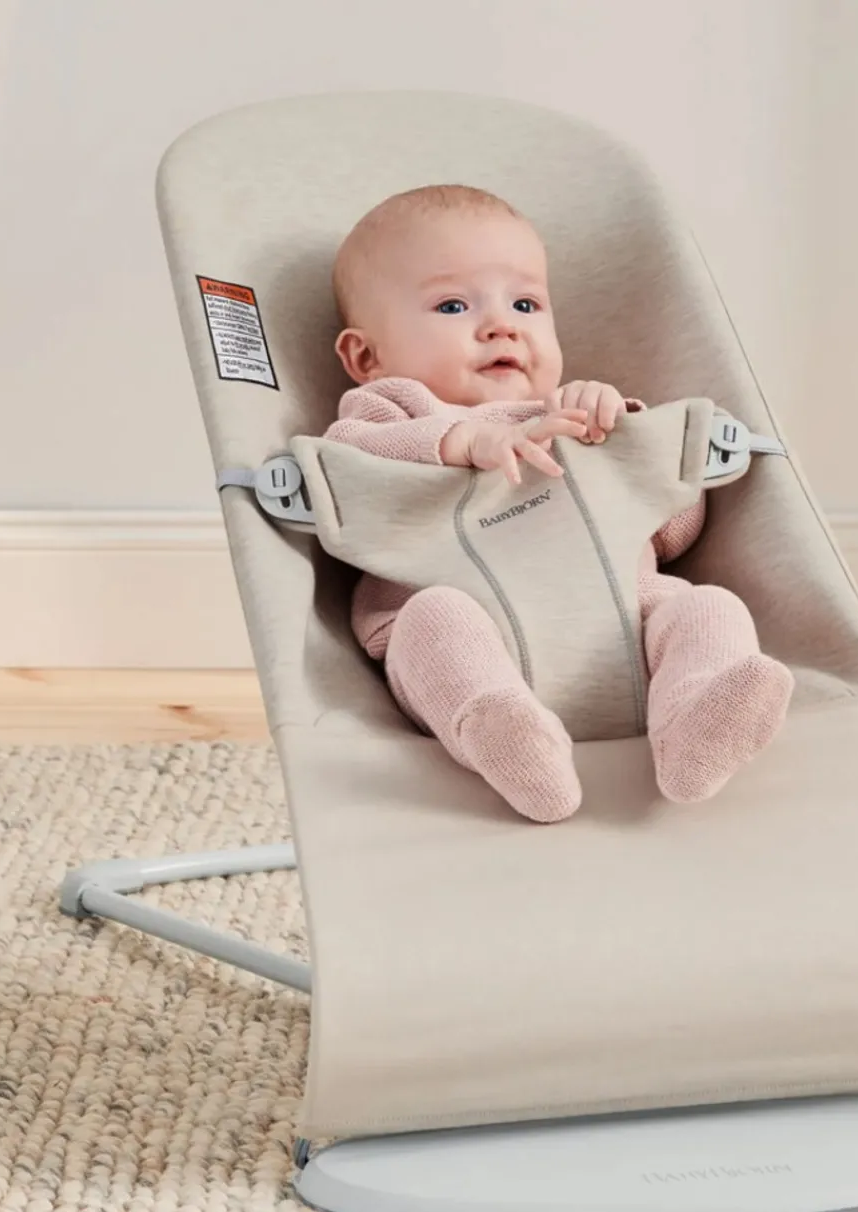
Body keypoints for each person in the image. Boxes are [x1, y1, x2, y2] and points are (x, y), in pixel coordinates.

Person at [325, 184, 793, 823]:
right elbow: (349, 477)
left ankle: (697, 720)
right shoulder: (392, 411)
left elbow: (672, 533)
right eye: (453, 305)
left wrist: (621, 439)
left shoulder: (574, 414)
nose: (502, 325)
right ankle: (505, 734)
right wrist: (461, 441)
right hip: (473, 625)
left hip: (619, 625)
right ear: (367, 356)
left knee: (708, 606)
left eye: (525, 303)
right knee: (432, 621)